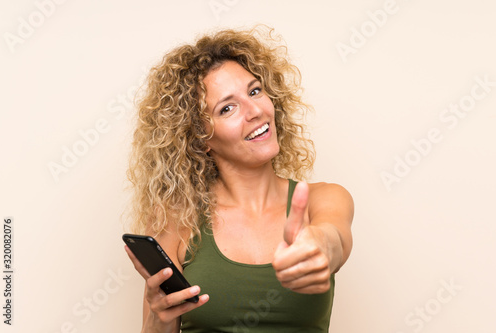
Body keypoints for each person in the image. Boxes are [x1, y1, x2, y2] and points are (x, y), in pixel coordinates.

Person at [124, 26, 354, 333]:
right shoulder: (178, 218)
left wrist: (320, 244)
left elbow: (334, 239)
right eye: (227, 108)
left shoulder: (322, 199)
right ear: (201, 138)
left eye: (255, 91)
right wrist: (158, 318)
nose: (255, 111)